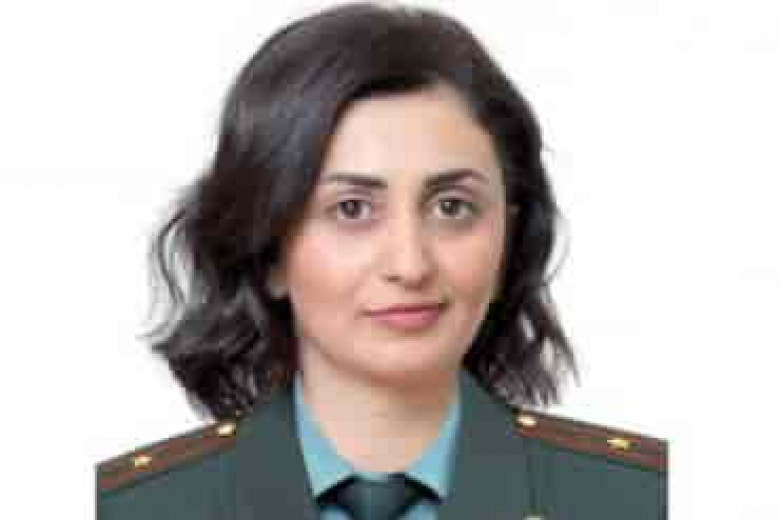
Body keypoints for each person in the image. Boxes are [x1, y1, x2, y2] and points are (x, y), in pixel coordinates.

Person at [96, 2, 667, 519]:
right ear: (268, 248)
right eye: (351, 209)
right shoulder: (128, 509)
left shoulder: (642, 502)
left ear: (508, 238)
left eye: (452, 206)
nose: (410, 265)